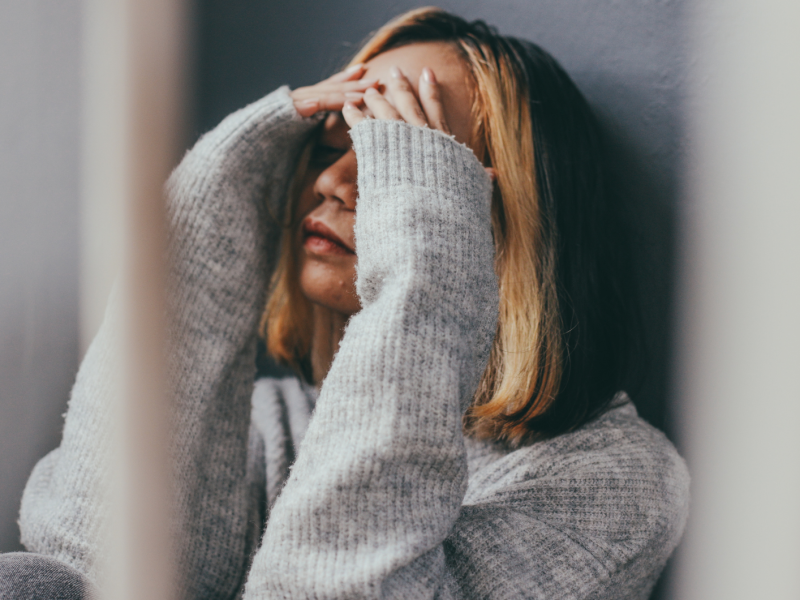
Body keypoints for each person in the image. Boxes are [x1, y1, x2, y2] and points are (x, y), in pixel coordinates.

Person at [5, 7, 689, 599]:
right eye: (329, 145)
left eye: (398, 158)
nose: (331, 179)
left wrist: (423, 264)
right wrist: (200, 220)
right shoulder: (273, 420)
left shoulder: (617, 481)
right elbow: (93, 568)